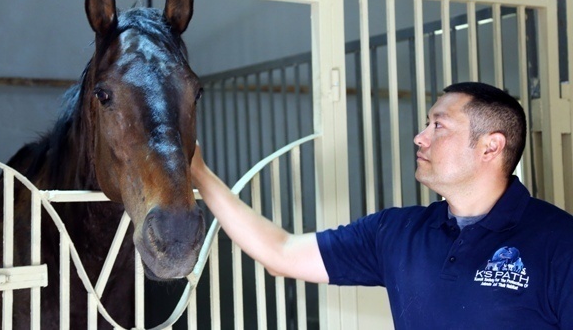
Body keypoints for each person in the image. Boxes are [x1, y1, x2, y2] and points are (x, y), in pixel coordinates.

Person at [190, 82, 573, 329]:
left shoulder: (559, 241)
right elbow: (282, 253)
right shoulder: (398, 232)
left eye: (438, 126)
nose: (419, 138)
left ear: (491, 146)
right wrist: (201, 174)